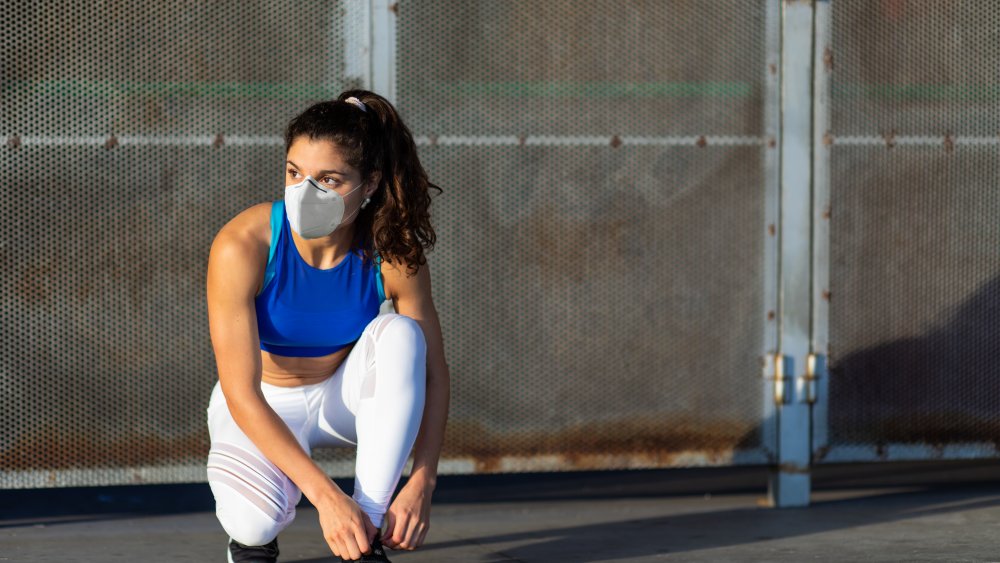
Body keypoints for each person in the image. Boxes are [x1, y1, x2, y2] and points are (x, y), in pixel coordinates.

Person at [204, 90, 449, 563]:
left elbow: (433, 372)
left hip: (340, 397)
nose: (304, 191)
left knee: (402, 336)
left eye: (328, 178)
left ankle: (368, 535)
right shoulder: (242, 245)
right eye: (294, 172)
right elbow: (241, 393)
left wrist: (423, 480)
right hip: (262, 402)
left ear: (369, 182)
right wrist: (328, 498)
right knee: (253, 523)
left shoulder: (393, 252)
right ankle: (256, 544)